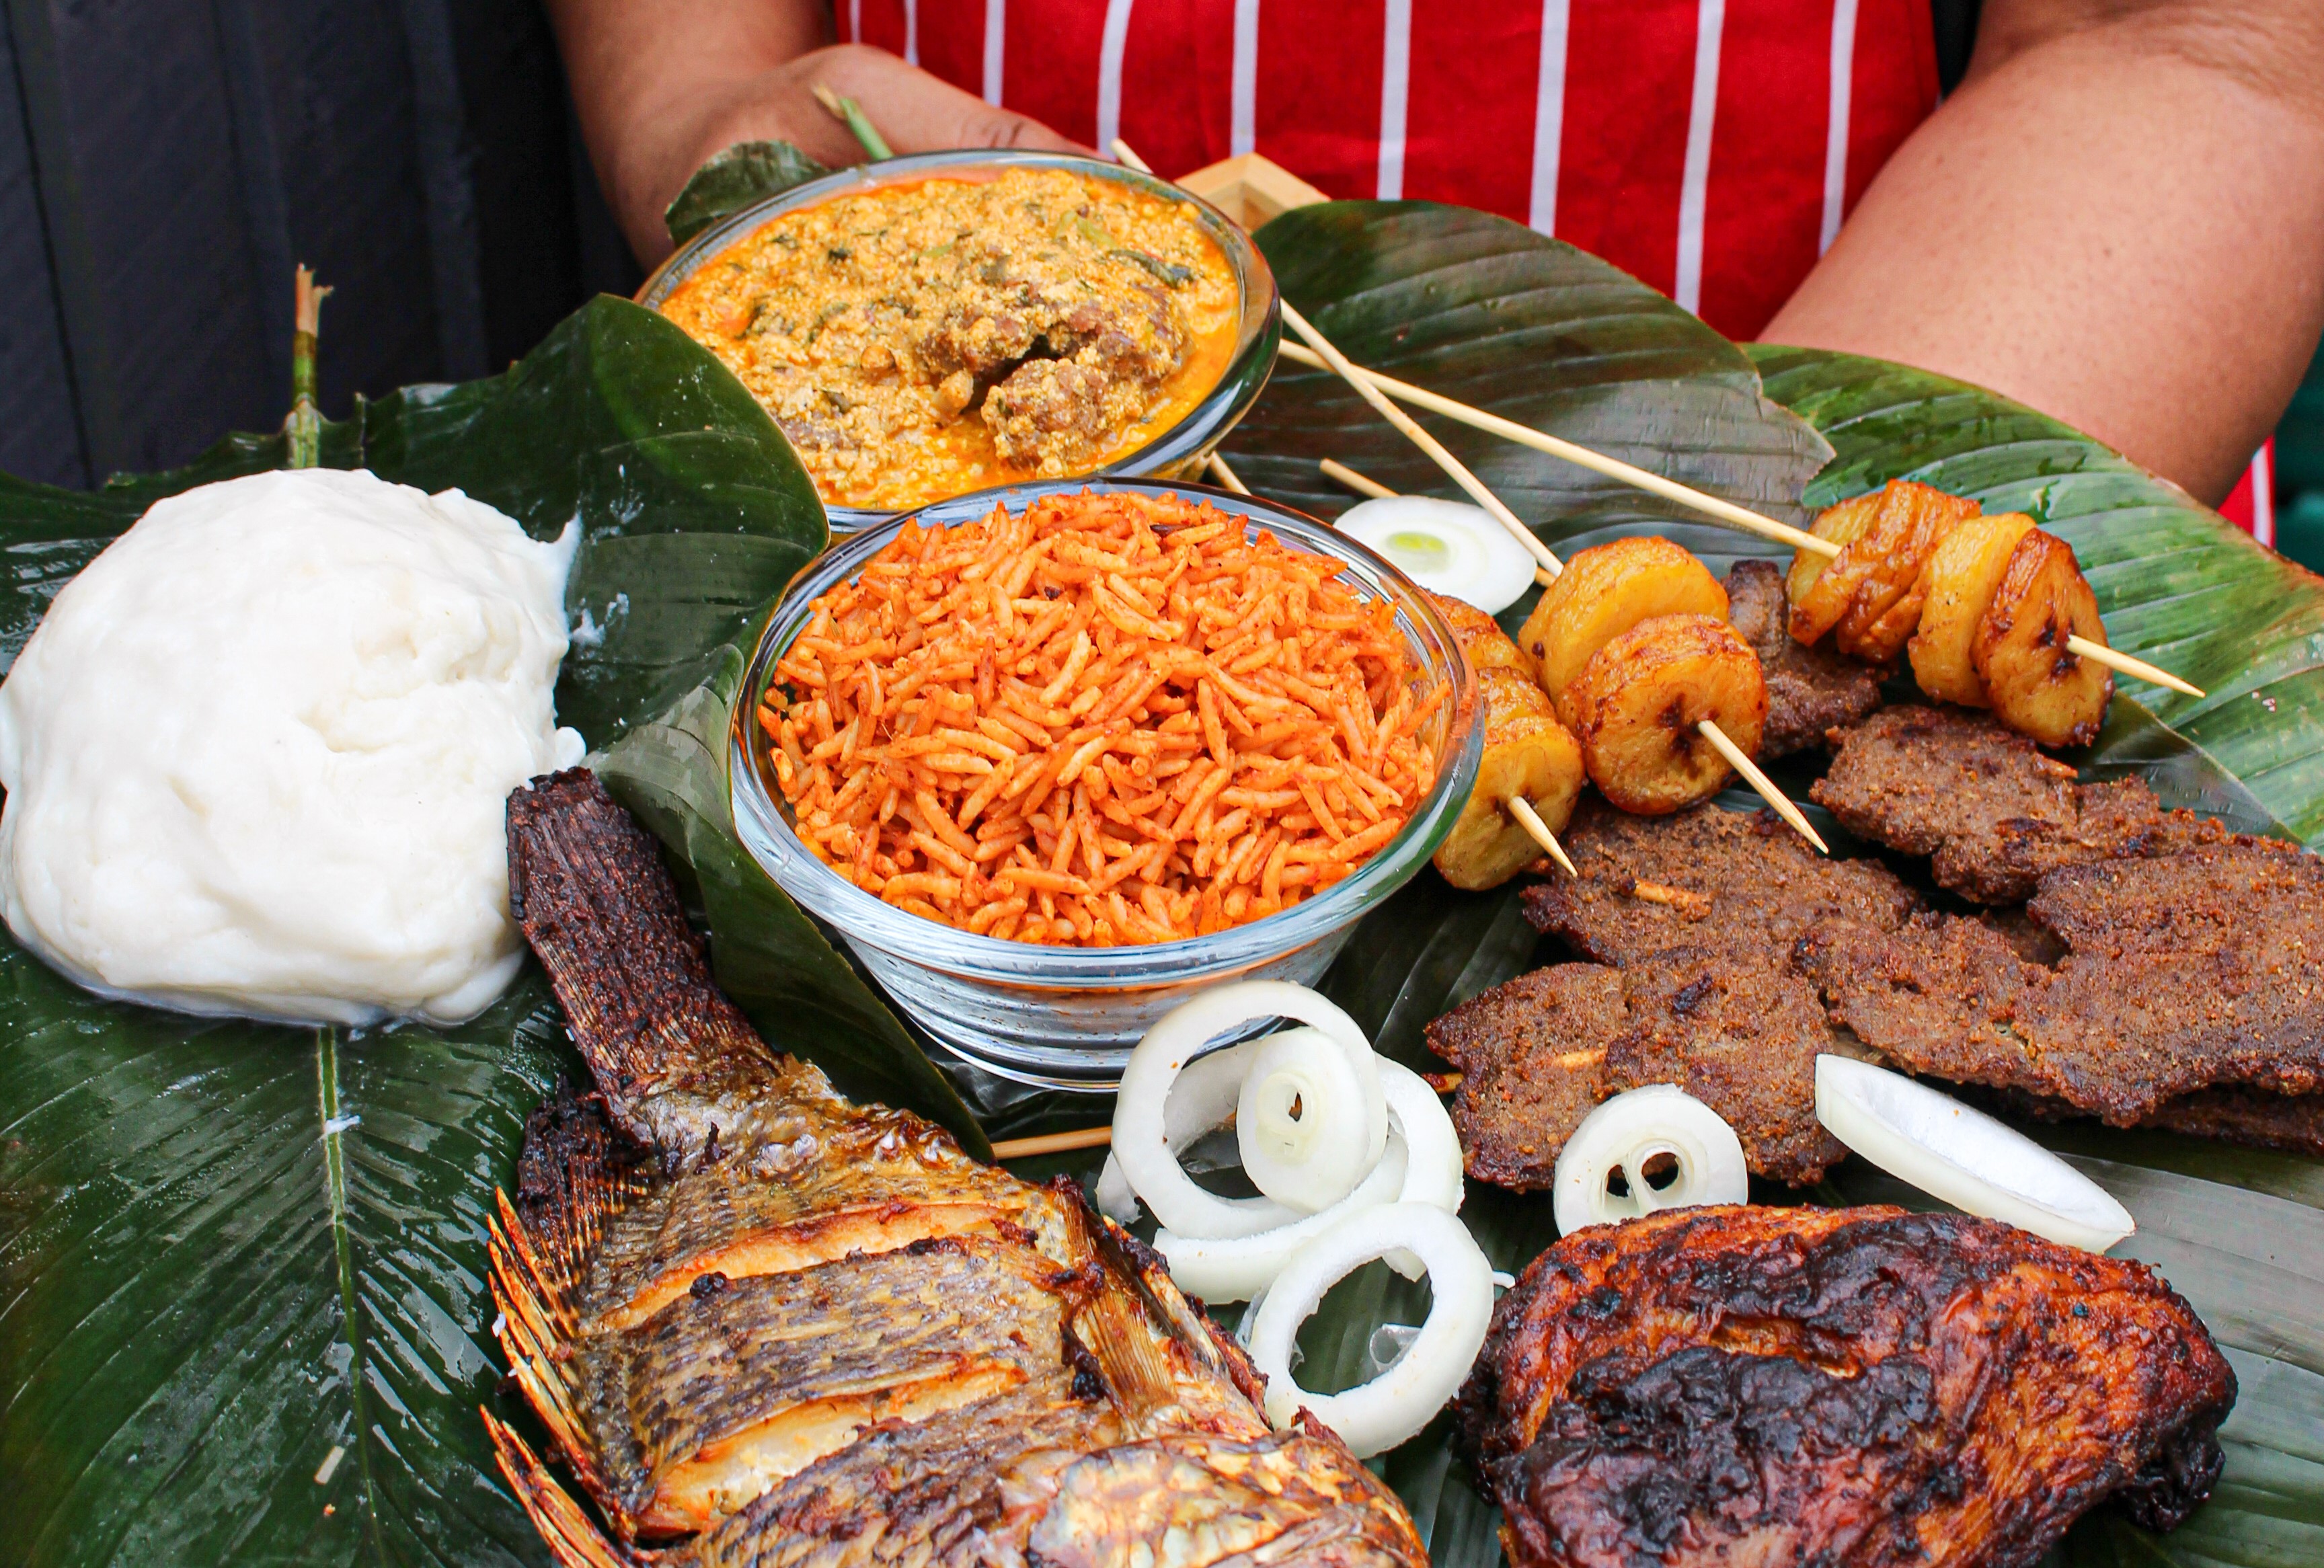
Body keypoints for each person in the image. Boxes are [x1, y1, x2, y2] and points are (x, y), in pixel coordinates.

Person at [547, 0, 2324, 524]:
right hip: (920, 485)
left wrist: (1746, 600)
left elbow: (2194, 39)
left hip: (1869, 411)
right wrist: (705, 92)